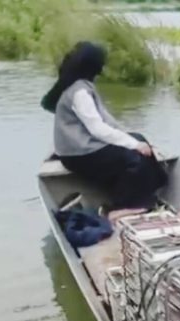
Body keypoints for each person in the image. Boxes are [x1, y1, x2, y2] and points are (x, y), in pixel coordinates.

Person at [41, 42, 166, 212]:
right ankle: (121, 207)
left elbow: (107, 120)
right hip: (77, 155)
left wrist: (134, 140)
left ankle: (150, 193)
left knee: (139, 139)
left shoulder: (81, 85)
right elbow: (97, 128)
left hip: (83, 147)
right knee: (133, 159)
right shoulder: (79, 92)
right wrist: (134, 145)